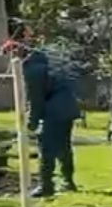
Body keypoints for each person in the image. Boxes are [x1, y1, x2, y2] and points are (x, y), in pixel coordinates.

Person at [17, 33, 79, 196]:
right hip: (68, 106)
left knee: (46, 147)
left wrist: (32, 121)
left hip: (54, 110)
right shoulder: (49, 60)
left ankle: (46, 185)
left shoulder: (32, 68)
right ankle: (68, 180)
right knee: (64, 146)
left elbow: (36, 98)